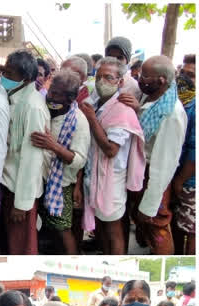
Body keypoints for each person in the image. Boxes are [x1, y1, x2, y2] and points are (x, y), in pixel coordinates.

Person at [79, 57, 146, 255]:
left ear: (120, 81)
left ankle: (115, 257)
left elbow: (110, 150)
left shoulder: (123, 109)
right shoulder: (95, 101)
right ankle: (105, 256)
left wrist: (91, 119)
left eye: (108, 77)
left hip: (111, 179)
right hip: (96, 174)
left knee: (113, 228)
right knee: (101, 226)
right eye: (98, 77)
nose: (102, 82)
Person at [128, 55, 188, 255]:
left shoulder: (171, 113)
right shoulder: (152, 98)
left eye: (145, 75)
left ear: (161, 80)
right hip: (141, 172)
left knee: (157, 225)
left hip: (154, 178)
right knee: (146, 224)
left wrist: (151, 201)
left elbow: (165, 163)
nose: (139, 78)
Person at [32, 69, 90, 255]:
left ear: (70, 98)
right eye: (51, 91)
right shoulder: (44, 109)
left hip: (61, 184)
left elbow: (79, 160)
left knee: (62, 228)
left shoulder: (79, 122)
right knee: (44, 227)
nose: (51, 97)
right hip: (39, 179)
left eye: (57, 94)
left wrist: (54, 146)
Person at [0, 50, 50, 255]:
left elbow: (32, 159)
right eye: (5, 71)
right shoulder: (16, 98)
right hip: (9, 184)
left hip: (20, 191)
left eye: (9, 73)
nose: (4, 77)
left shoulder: (32, 106)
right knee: (12, 244)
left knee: (21, 248)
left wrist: (22, 204)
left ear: (26, 79)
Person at [172, 55, 195, 255]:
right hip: (176, 174)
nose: (186, 79)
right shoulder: (180, 102)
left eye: (192, 76)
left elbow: (194, 153)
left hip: (189, 180)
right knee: (177, 224)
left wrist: (180, 180)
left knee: (191, 229)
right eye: (183, 73)